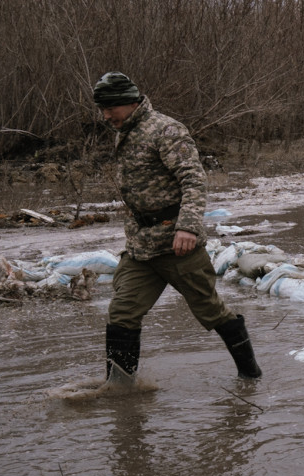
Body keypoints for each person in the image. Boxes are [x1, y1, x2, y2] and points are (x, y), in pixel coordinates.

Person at [93, 71, 262, 383]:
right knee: (121, 314)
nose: (105, 115)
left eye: (109, 108)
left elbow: (194, 179)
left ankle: (250, 375)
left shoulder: (166, 130)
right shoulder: (125, 132)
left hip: (178, 244)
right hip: (141, 249)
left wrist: (188, 227)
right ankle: (118, 392)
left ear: (129, 102)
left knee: (212, 312)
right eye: (101, 108)